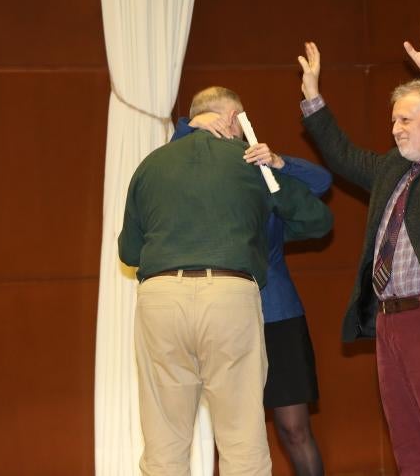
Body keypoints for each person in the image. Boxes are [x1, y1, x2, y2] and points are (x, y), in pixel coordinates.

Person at [297, 18, 420, 475]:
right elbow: (345, 156)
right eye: (393, 120)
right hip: (390, 323)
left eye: (406, 119)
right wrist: (313, 97)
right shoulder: (393, 170)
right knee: (410, 446)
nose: (396, 129)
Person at [118, 86, 333, 475]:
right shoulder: (248, 162)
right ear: (235, 120)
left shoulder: (151, 165)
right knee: (241, 440)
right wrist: (274, 167)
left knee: (163, 444)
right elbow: (318, 218)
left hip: (161, 299)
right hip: (230, 297)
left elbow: (130, 253)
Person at [170, 112, 330, 476]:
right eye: (229, 122)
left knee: (294, 429)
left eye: (238, 123)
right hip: (220, 317)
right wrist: (190, 128)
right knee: (234, 434)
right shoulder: (186, 177)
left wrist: (277, 161)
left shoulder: (260, 174)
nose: (234, 131)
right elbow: (166, 158)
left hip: (277, 315)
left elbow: (321, 182)